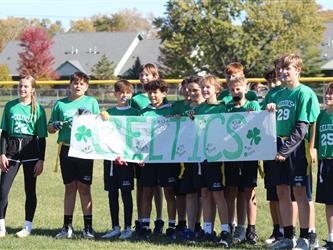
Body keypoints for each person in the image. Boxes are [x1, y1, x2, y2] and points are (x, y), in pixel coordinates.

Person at [266, 54, 320, 249]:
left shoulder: (304, 93)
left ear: (298, 70)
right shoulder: (277, 94)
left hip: (295, 148)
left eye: (287, 68)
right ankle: (288, 236)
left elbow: (302, 126)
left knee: (299, 191)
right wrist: (269, 109)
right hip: (276, 146)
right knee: (281, 190)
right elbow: (265, 120)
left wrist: (286, 150)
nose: (283, 72)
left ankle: (306, 237)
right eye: (281, 68)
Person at [48, 72, 100, 239]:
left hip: (84, 149)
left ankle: (88, 228)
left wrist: (91, 117)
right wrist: (54, 125)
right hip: (67, 149)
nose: (78, 86)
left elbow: (99, 125)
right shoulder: (60, 104)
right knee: (70, 187)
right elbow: (50, 128)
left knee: (84, 188)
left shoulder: (91, 102)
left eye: (82, 83)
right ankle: (67, 227)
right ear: (70, 85)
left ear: (87, 86)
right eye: (75, 83)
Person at [0, 75, 47, 238]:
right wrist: (2, 154)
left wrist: (41, 159)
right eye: (20, 86)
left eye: (26, 86)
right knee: (3, 189)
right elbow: (4, 132)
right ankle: (1, 226)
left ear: (32, 89)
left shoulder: (38, 109)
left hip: (31, 150)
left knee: (30, 189)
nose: (22, 89)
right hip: (11, 149)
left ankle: (27, 226)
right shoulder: (10, 106)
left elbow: (41, 137)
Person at [138, 79, 179, 240]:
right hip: (149, 158)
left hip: (167, 158)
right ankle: (146, 225)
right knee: (147, 191)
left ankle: (171, 225)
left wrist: (177, 118)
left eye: (156, 92)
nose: (153, 95)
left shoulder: (171, 109)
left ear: (164, 93)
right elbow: (138, 136)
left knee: (169, 192)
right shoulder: (143, 112)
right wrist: (139, 155)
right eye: (150, 92)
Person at [194, 75, 232, 247]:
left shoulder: (223, 108)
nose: (205, 90)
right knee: (205, 193)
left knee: (218, 193)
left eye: (208, 87)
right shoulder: (198, 109)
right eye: (203, 87)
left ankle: (226, 230)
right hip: (201, 156)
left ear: (217, 89)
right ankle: (208, 230)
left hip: (217, 157)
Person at [100, 80, 139, 240]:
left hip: (126, 161)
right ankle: (115, 227)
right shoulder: (108, 113)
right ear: (115, 94)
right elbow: (101, 135)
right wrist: (99, 119)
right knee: (112, 194)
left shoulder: (135, 113)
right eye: (121, 92)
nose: (124, 95)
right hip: (110, 160)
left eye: (127, 92)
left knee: (126, 193)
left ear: (131, 94)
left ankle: (128, 227)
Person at [224, 76, 260, 245]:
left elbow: (260, 122)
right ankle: (230, 227)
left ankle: (250, 229)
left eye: (238, 89)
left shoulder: (252, 105)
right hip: (232, 156)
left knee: (249, 191)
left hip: (250, 154)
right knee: (230, 191)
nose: (235, 92)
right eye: (232, 90)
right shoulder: (228, 108)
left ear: (245, 89)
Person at [131, 63, 164, 235]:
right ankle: (142, 219)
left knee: (158, 186)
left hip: (159, 149)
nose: (144, 78)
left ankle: (159, 218)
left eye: (148, 75)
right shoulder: (136, 99)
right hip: (143, 149)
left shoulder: (161, 97)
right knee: (143, 186)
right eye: (142, 75)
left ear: (155, 76)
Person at [173, 75, 205, 241]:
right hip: (188, 157)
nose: (191, 93)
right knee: (191, 194)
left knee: (204, 194)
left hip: (205, 157)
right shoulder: (185, 109)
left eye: (195, 90)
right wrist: (177, 121)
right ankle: (191, 228)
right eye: (189, 90)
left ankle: (206, 228)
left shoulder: (207, 108)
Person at [260, 67, 284, 247]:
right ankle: (277, 229)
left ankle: (287, 229)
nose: (272, 83)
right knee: (272, 192)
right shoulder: (269, 95)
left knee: (286, 191)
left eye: (275, 79)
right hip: (269, 145)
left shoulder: (286, 93)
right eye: (269, 81)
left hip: (284, 145)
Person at [314, 82, 333, 250]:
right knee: (329, 202)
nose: (328, 96)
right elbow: (317, 142)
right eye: (327, 93)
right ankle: (331, 238)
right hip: (325, 162)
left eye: (331, 94)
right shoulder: (321, 116)